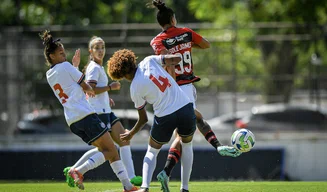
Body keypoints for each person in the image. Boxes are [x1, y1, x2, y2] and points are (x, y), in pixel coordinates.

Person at [149, 1, 242, 191]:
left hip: (168, 89)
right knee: (187, 138)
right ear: (173, 19)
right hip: (185, 87)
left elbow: (167, 62)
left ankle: (165, 174)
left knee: (178, 135)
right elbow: (206, 45)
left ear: (160, 23)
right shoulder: (186, 33)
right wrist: (187, 45)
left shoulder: (156, 41)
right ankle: (181, 185)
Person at [40, 30, 137, 192]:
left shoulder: (50, 74)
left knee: (108, 150)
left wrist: (75, 66)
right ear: (52, 56)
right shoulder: (66, 66)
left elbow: (70, 85)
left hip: (73, 120)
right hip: (85, 115)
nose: (64, 56)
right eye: (61, 53)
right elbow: (87, 87)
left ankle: (127, 186)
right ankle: (78, 171)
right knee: (111, 149)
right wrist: (107, 88)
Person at [107, 49, 196, 192]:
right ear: (132, 60)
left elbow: (143, 119)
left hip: (165, 115)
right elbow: (176, 59)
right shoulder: (148, 60)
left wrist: (131, 133)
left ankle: (145, 187)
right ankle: (184, 188)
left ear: (121, 74)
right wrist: (169, 60)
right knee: (187, 145)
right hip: (185, 107)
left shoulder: (134, 89)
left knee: (152, 151)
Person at [63, 36, 142, 187]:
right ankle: (74, 170)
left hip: (105, 109)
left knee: (123, 139)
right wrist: (110, 88)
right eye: (97, 48)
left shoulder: (98, 67)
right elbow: (90, 89)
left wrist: (106, 97)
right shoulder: (94, 67)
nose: (100, 51)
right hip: (99, 112)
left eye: (102, 47)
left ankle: (131, 177)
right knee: (106, 148)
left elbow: (93, 90)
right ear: (90, 51)